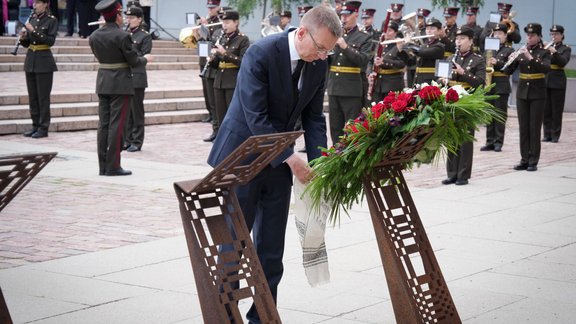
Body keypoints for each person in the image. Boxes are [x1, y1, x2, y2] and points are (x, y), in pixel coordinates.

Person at [207, 6, 341, 322]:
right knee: (233, 245)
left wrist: (320, 162)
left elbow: (312, 117)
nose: (323, 56)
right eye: (321, 48)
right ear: (303, 33)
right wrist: (291, 157)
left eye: (328, 51)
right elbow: (256, 117)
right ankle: (225, 315)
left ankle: (262, 317)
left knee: (270, 249)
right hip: (241, 158)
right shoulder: (262, 52)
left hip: (279, 162)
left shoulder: (319, 64)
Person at [88, 0, 152, 176]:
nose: (124, 18)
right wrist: (146, 59)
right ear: (116, 15)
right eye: (121, 14)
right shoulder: (122, 36)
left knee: (104, 125)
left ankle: (103, 166)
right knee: (117, 125)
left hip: (103, 81)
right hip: (121, 83)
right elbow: (133, 60)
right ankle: (114, 166)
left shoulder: (94, 36)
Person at [503, 23, 551, 172]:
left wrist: (530, 57)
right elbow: (507, 71)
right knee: (523, 128)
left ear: (538, 36)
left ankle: (533, 160)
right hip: (522, 93)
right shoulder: (521, 51)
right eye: (528, 35)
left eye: (532, 35)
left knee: (534, 127)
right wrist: (510, 59)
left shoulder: (544, 52)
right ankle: (524, 159)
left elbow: (546, 68)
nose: (529, 38)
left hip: (537, 93)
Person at [442, 25, 486, 186]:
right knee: (451, 137)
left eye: (462, 39)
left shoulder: (478, 59)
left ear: (471, 41)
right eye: (457, 39)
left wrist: (464, 74)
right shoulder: (451, 59)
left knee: (465, 139)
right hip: (452, 101)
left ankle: (463, 175)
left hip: (467, 102)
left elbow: (481, 82)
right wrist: (443, 80)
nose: (458, 42)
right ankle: (451, 173)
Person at [326, 0, 372, 145]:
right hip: (334, 87)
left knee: (353, 128)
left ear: (356, 14)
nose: (343, 18)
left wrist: (345, 47)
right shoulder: (334, 35)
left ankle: (352, 159)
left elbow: (363, 60)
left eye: (347, 15)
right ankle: (336, 158)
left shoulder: (364, 37)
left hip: (351, 89)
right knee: (334, 128)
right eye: (342, 15)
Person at [20, 0, 58, 139]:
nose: (34, 5)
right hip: (31, 61)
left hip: (44, 62)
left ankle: (43, 128)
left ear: (45, 4)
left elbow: (49, 41)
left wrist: (32, 30)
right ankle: (35, 125)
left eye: (37, 2)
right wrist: (24, 38)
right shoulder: (33, 19)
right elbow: (28, 43)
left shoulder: (51, 20)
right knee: (33, 97)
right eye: (34, 2)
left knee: (43, 97)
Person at [210, 10, 249, 132]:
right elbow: (217, 65)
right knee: (220, 113)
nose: (224, 25)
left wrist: (224, 53)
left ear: (236, 22)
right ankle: (221, 137)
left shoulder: (243, 39)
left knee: (232, 114)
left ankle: (233, 138)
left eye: (227, 22)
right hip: (219, 81)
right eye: (223, 22)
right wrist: (212, 59)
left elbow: (244, 62)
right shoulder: (221, 38)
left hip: (232, 81)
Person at [480, 23, 515, 153]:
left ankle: (498, 142)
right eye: (495, 34)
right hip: (489, 84)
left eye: (500, 34)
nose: (497, 36)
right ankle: (489, 141)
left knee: (499, 115)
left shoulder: (509, 50)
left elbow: (509, 69)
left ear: (505, 36)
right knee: (489, 114)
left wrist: (498, 63)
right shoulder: (489, 50)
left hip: (501, 85)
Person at [123, 5, 152, 152]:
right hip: (125, 76)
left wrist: (129, 51)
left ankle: (137, 140)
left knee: (136, 111)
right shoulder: (124, 33)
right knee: (126, 111)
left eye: (132, 17)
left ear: (139, 19)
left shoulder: (145, 36)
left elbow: (144, 56)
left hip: (137, 76)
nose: (129, 20)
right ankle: (127, 139)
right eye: (127, 17)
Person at [197, 0, 223, 142]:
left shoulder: (219, 23)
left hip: (215, 64)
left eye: (213, 7)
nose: (210, 10)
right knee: (209, 98)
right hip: (205, 60)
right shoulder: (207, 22)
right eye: (209, 7)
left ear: (218, 7)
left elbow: (213, 43)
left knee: (215, 102)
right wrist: (200, 31)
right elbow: (201, 42)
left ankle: (217, 129)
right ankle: (214, 127)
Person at [543, 24, 571, 143]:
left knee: (556, 110)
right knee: (546, 109)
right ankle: (546, 134)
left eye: (556, 34)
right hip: (546, 80)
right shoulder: (547, 47)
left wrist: (554, 52)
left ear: (562, 35)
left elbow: (562, 62)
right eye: (552, 34)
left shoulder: (565, 49)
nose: (553, 36)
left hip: (558, 81)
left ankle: (555, 135)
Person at [369, 21, 408, 103]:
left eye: (389, 30)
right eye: (385, 30)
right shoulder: (379, 44)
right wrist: (369, 72)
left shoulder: (399, 45)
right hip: (378, 84)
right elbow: (370, 60)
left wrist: (384, 61)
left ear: (395, 33)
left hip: (392, 84)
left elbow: (401, 64)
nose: (386, 32)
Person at [412, 18, 445, 85]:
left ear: (439, 31)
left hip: (430, 82)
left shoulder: (439, 47)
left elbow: (422, 53)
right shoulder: (423, 46)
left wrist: (410, 44)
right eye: (427, 28)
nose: (429, 31)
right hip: (418, 80)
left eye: (432, 28)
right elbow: (410, 62)